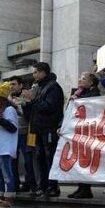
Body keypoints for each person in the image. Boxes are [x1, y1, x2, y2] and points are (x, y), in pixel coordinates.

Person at [22, 62, 65, 197]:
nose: (34, 75)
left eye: (35, 72)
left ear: (43, 72)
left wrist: (33, 99)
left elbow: (49, 107)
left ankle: (53, 186)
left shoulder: (53, 87)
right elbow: (33, 110)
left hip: (49, 128)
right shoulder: (39, 87)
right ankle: (43, 186)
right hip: (38, 128)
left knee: (49, 157)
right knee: (40, 158)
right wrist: (26, 104)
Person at [67, 72, 102, 199]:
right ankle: (81, 187)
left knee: (86, 158)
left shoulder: (94, 94)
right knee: (79, 158)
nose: (80, 80)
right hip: (78, 130)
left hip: (89, 131)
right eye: (80, 78)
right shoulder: (77, 93)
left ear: (91, 82)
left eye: (83, 78)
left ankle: (86, 188)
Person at [0, 82, 18, 208]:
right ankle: (0, 197)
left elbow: (13, 128)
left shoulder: (10, 109)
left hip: (5, 146)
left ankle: (9, 197)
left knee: (7, 173)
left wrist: (0, 120)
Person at [8, 76, 36, 194]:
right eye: (10, 84)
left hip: (26, 132)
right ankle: (15, 184)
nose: (11, 87)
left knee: (28, 160)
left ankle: (31, 184)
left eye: (14, 84)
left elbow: (30, 114)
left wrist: (20, 106)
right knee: (13, 160)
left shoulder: (27, 95)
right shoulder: (7, 97)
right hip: (12, 133)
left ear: (20, 85)